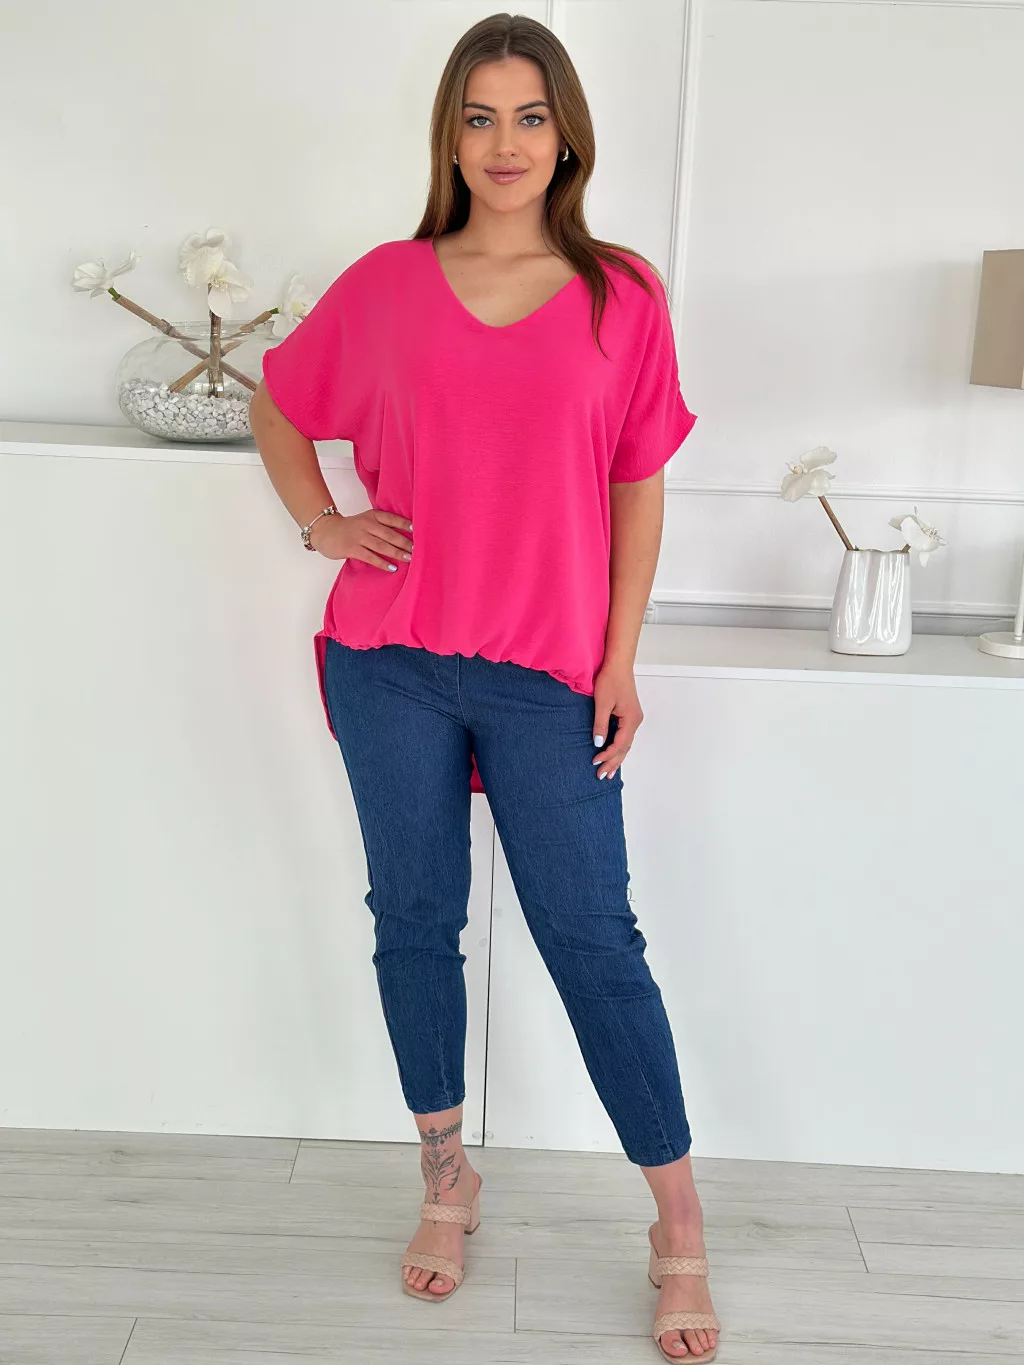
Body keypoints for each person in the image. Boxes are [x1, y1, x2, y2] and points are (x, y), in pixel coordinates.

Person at [249, 12, 719, 1361]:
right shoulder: (390, 283)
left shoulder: (622, 293)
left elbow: (638, 487)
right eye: (478, 116)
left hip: (548, 674)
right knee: (414, 920)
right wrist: (326, 525)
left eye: (528, 115)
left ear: (566, 133)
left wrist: (619, 658)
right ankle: (447, 1178)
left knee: (592, 939)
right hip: (391, 660)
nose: (504, 143)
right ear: (448, 137)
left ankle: (678, 1221)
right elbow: (281, 403)